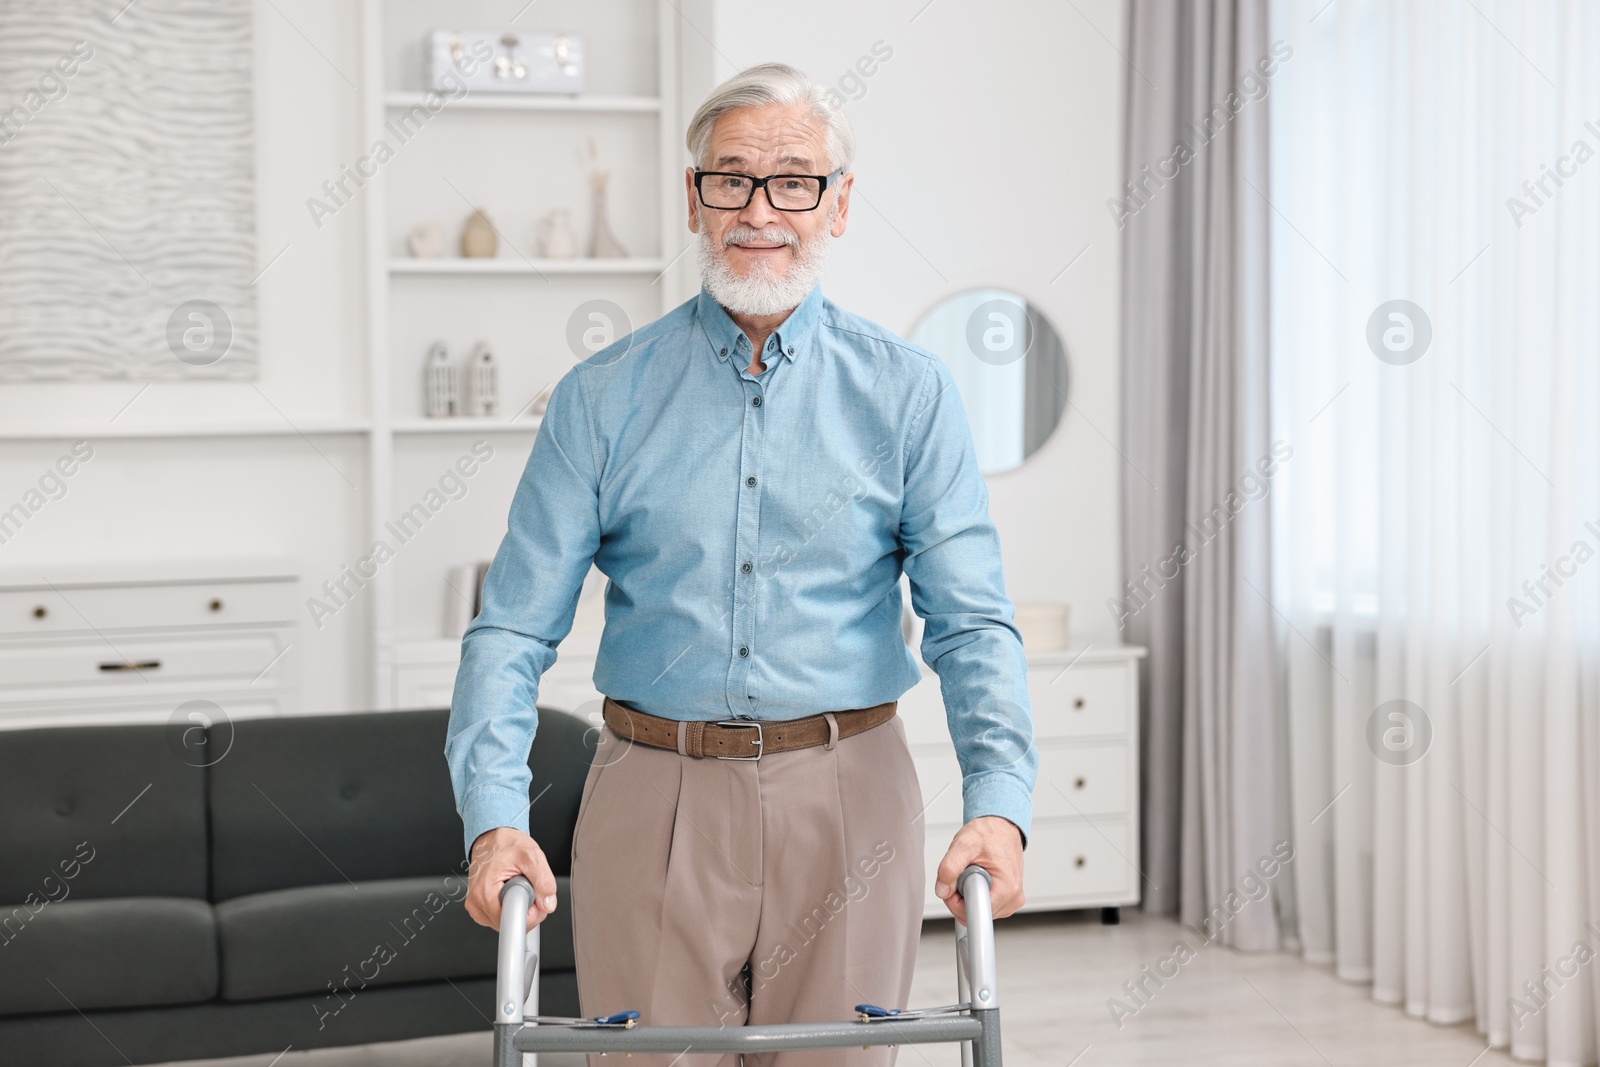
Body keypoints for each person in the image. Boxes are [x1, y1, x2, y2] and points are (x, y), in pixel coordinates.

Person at [446, 61, 1036, 1066]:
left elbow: (971, 621)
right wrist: (493, 818)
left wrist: (1000, 803)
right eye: (732, 179)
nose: (761, 209)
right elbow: (510, 627)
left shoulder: (908, 395)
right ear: (694, 198)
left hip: (851, 793)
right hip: (652, 790)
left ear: (837, 203)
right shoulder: (600, 398)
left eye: (794, 180)